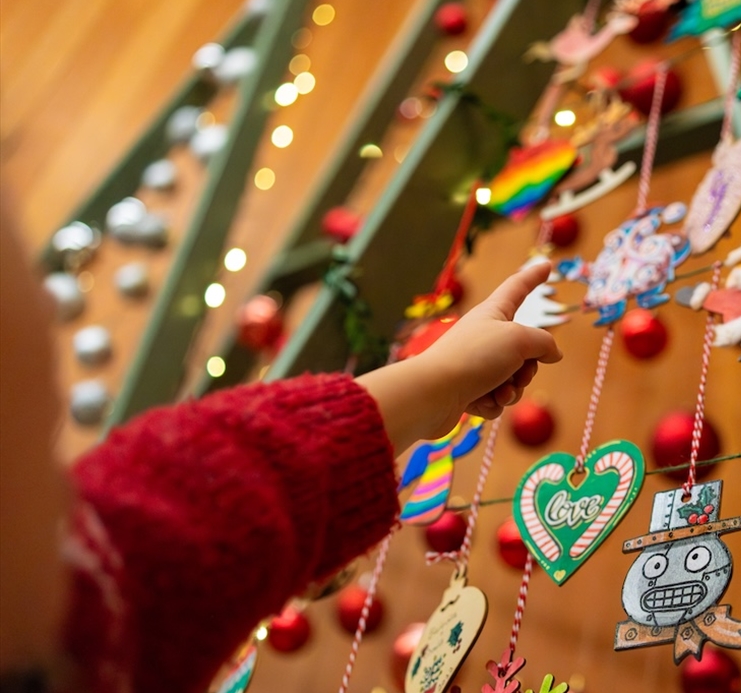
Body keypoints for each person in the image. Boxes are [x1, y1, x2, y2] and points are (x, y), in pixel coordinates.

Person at [0, 211, 562, 693]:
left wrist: (435, 383)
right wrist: (434, 384)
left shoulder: (96, 606)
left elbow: (189, 517)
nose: (46, 304)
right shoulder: (91, 619)